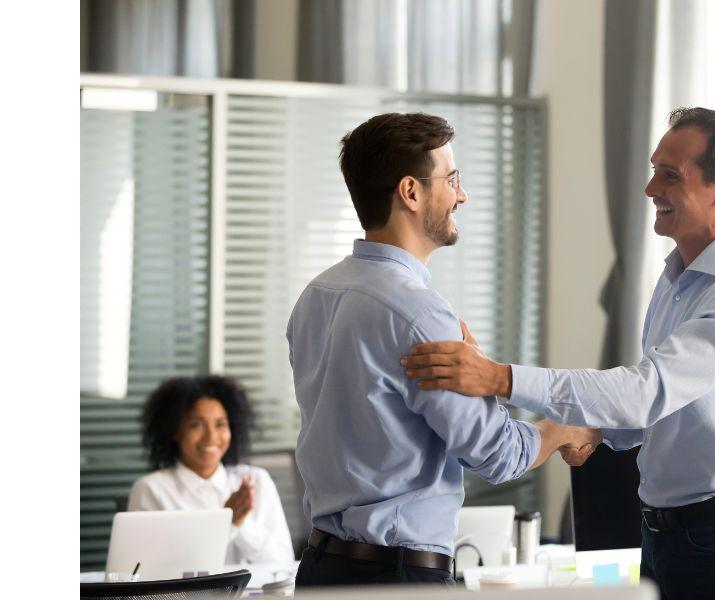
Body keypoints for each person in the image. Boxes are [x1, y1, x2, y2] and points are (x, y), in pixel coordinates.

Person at [402, 107, 715, 600]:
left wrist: (499, 378)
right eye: (655, 170)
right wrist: (591, 429)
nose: (650, 188)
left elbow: (647, 392)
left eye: (670, 175)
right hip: (666, 533)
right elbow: (664, 410)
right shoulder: (677, 277)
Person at [287, 112, 599, 588]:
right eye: (452, 179)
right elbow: (496, 454)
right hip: (395, 577)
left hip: (320, 569)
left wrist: (480, 375)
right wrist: (559, 430)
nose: (462, 194)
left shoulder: (316, 295)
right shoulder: (418, 313)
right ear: (410, 192)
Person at [128, 375, 295, 565]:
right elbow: (146, 571)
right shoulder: (151, 489)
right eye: (196, 425)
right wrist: (227, 522)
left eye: (220, 424)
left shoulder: (255, 480)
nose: (211, 436)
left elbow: (283, 563)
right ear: (174, 430)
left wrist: (242, 524)